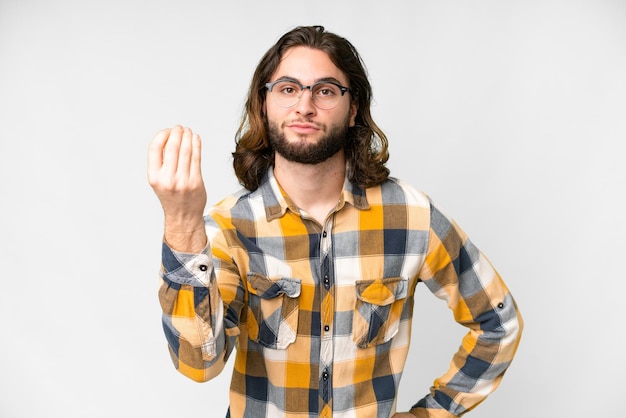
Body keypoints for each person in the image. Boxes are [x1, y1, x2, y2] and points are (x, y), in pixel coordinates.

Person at [147, 25, 523, 418]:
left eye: (325, 90)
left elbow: (499, 323)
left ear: (354, 108)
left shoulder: (410, 215)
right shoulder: (229, 227)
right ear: (264, 103)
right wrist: (183, 223)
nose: (304, 106)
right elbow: (198, 363)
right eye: (288, 88)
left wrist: (433, 414)